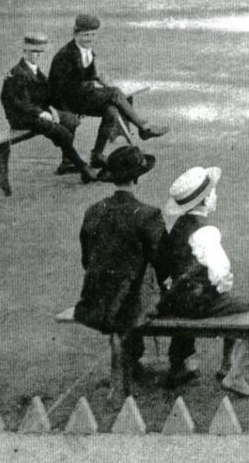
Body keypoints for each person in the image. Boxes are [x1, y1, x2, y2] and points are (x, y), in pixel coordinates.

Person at [156, 166, 249, 395]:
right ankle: (232, 373)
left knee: (213, 300)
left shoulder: (176, 227)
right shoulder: (206, 232)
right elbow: (221, 273)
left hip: (176, 299)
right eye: (213, 193)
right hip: (199, 302)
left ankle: (178, 365)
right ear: (206, 200)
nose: (215, 196)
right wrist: (221, 286)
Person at [73, 146, 162, 383]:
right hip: (129, 303)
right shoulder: (148, 214)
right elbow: (161, 261)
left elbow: (86, 258)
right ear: (137, 177)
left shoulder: (94, 210)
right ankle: (175, 361)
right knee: (151, 283)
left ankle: (131, 357)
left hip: (95, 298)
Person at [49, 14, 168, 170]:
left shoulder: (87, 51)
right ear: (75, 34)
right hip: (66, 101)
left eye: (92, 35)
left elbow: (88, 76)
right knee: (114, 93)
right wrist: (68, 109)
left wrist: (99, 79)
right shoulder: (65, 55)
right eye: (85, 35)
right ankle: (143, 127)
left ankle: (96, 155)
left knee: (111, 111)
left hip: (80, 97)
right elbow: (59, 87)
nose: (89, 38)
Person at [1, 32, 97, 184]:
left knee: (71, 121)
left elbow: (47, 94)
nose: (37, 55)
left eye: (40, 52)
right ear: (24, 51)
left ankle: (67, 162)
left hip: (35, 113)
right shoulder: (18, 73)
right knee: (62, 133)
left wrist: (52, 109)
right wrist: (41, 113)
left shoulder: (35, 70)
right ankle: (82, 167)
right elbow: (20, 104)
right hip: (20, 118)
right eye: (33, 51)